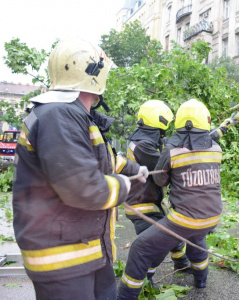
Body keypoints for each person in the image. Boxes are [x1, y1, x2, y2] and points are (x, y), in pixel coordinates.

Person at [12, 38, 149, 300]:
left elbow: (104, 161)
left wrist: (135, 169)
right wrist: (124, 185)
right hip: (62, 261)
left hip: (88, 251)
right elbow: (83, 187)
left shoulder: (75, 116)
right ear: (94, 78)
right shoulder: (58, 115)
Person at [117, 99, 225, 299]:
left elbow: (160, 179)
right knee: (193, 237)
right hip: (208, 215)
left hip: (179, 215)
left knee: (143, 247)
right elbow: (199, 144)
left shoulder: (171, 151)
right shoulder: (216, 149)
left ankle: (126, 294)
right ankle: (198, 279)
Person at [124, 100, 190, 271]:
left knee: (173, 233)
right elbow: (163, 169)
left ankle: (181, 264)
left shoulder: (144, 139)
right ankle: (145, 278)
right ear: (159, 121)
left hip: (150, 202)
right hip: (141, 205)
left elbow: (167, 145)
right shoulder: (143, 145)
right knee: (157, 243)